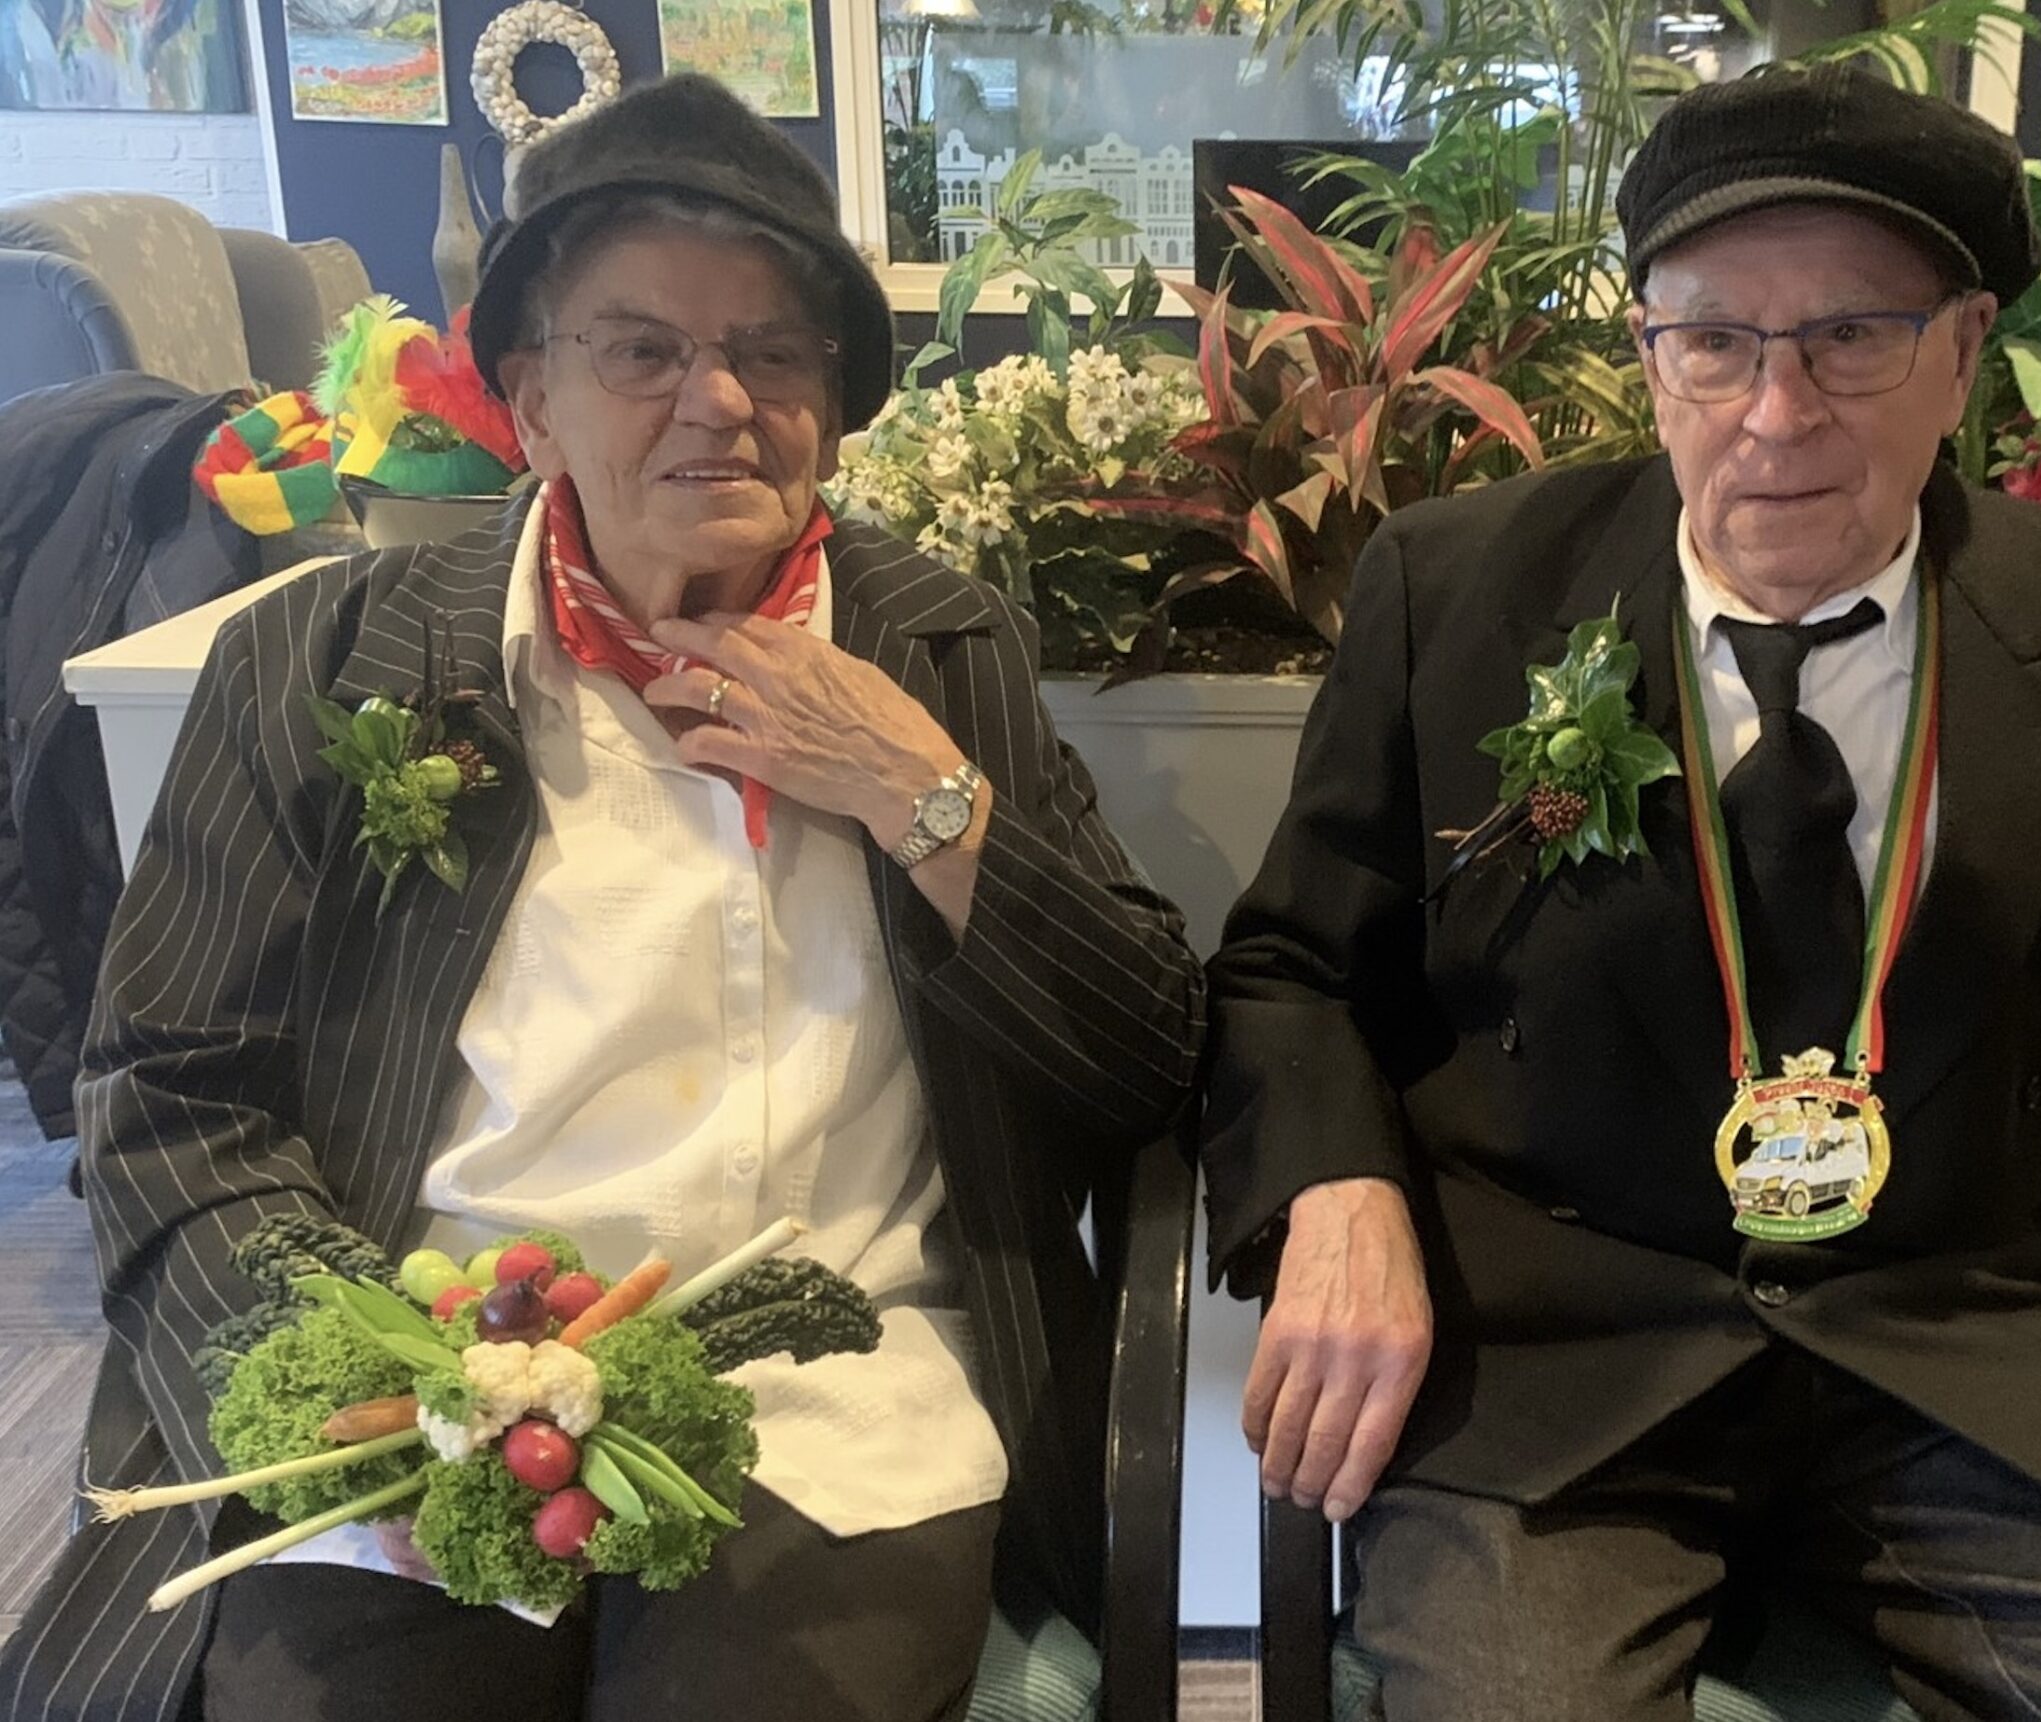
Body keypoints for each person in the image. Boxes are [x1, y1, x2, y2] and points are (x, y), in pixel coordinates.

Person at [0, 74, 1204, 1722]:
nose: (720, 399)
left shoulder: (940, 651)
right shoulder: (315, 661)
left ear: (832, 405)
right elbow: (167, 1089)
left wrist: (918, 794)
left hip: (829, 1402)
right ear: (530, 400)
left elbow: (1148, 1055)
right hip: (423, 1372)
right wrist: (349, 1380)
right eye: (641, 348)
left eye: (774, 351)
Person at [1201, 65, 2041, 1722]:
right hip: (1557, 1361)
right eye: (1717, 341)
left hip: (1957, 1355)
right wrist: (1339, 1192)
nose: (1777, 413)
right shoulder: (1457, 590)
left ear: (1963, 350)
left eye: (1850, 336)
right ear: (1651, 357)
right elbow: (1294, 970)